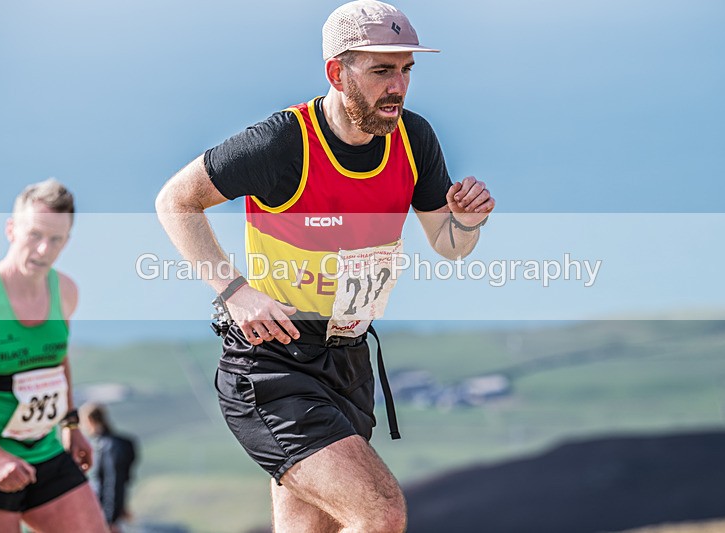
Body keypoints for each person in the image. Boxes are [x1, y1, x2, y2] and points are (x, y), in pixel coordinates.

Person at [155, 1, 495, 531]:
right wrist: (235, 292)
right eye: (382, 70)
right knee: (379, 512)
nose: (398, 86)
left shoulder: (415, 138)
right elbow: (176, 201)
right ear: (337, 72)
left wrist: (468, 221)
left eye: (406, 70)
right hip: (272, 364)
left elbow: (449, 246)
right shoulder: (282, 142)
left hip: (349, 361)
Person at [0, 179, 108, 532]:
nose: (43, 249)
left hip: (44, 452)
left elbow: (57, 362)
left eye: (56, 239)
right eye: (34, 235)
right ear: (11, 229)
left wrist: (71, 424)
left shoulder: (65, 291)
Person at [79, 403, 137, 533]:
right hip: (110, 508)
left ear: (89, 421)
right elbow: (124, 480)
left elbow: (112, 482)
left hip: (102, 511)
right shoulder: (121, 443)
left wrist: (110, 519)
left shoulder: (106, 446)